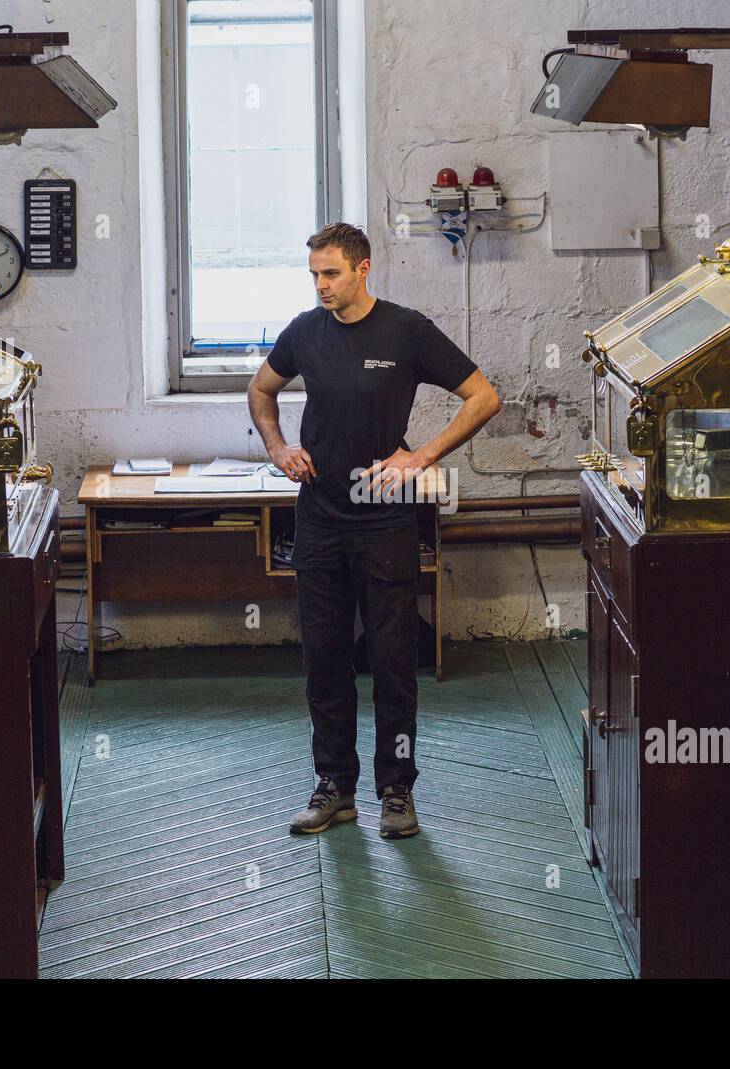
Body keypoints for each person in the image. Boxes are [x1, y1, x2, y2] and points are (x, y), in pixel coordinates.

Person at [247, 222, 501, 839]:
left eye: (330, 273)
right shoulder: (305, 332)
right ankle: (334, 786)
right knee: (324, 660)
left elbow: (483, 397)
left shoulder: (406, 330)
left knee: (392, 664)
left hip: (385, 516)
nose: (320, 285)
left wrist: (422, 456)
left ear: (363, 270)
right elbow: (260, 389)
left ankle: (397, 792)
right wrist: (279, 447)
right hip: (321, 517)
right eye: (313, 274)